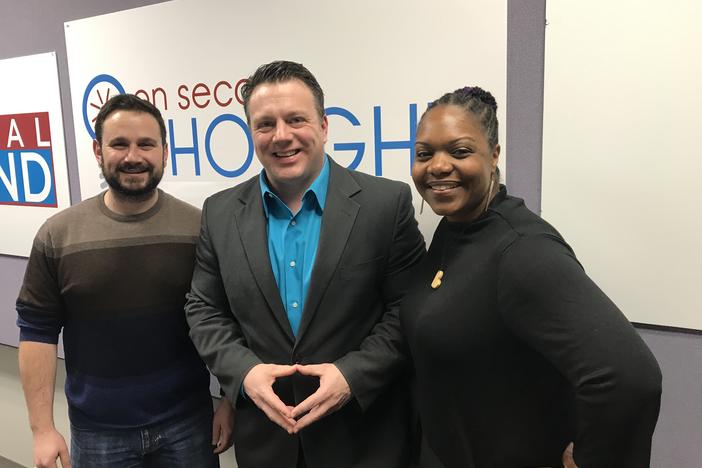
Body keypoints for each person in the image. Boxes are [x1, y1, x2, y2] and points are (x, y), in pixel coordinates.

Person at [401, 86, 662, 468]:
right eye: (424, 154)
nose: (437, 166)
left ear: (493, 155)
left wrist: (592, 459)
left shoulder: (522, 250)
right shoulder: (454, 228)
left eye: (459, 151)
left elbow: (629, 379)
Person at [185, 60, 426, 468]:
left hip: (363, 439)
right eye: (265, 124)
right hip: (266, 441)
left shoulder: (385, 205)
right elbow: (203, 308)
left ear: (325, 126)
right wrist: (243, 373)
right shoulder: (220, 213)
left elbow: (409, 309)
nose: (281, 136)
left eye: (296, 119)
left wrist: (353, 375)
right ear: (251, 133)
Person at [16, 94, 234, 468]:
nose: (133, 156)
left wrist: (230, 400)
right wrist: (42, 429)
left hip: (188, 425)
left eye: (146, 144)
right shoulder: (58, 235)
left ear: (164, 151)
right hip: (99, 434)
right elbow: (37, 331)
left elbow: (226, 319)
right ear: (98, 151)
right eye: (119, 144)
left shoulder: (199, 229)